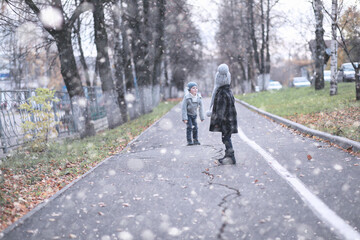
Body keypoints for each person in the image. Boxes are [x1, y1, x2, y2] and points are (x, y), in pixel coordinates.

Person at [207, 64, 238, 164]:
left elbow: (220, 110)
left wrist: (217, 122)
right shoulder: (228, 90)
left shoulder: (221, 93)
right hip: (230, 119)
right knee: (226, 137)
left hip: (225, 121)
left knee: (226, 138)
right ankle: (229, 155)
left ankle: (230, 157)